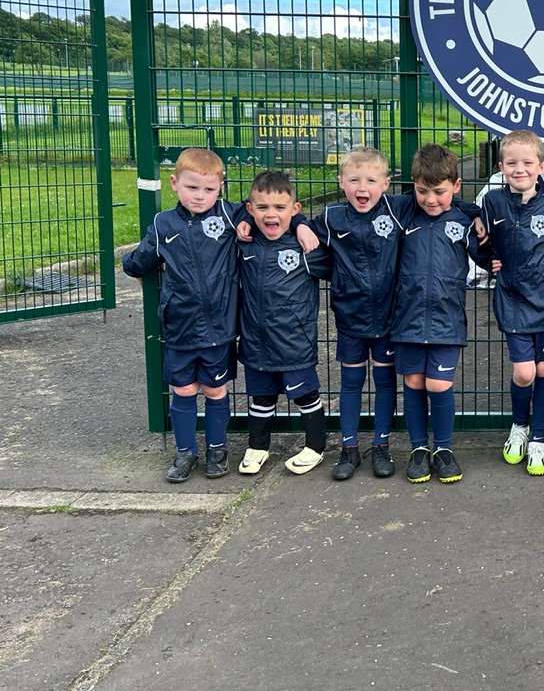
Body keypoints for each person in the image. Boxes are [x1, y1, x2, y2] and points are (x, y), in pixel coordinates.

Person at [122, 148, 242, 483]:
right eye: (192, 187)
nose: (200, 196)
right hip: (180, 327)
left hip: (219, 328)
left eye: (209, 189)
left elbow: (260, 212)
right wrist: (130, 265)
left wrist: (299, 225)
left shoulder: (229, 216)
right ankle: (185, 451)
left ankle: (217, 449)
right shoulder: (163, 223)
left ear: (220, 188)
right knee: (184, 390)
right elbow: (143, 258)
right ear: (175, 183)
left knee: (215, 390)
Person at [391, 144, 490, 485]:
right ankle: (419, 449)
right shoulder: (403, 214)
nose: (430, 200)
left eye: (439, 192)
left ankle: (443, 448)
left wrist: (475, 214)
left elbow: (487, 254)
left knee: (438, 383)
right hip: (407, 317)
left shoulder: (462, 221)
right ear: (413, 185)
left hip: (447, 319)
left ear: (456, 186)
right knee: (414, 382)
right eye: (422, 191)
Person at [234, 170, 333, 477]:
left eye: (280, 207)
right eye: (262, 207)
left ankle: (316, 446)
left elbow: (340, 266)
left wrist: (302, 225)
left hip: (294, 343)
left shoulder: (306, 246)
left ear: (295, 208)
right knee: (261, 397)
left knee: (305, 396)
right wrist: (244, 218)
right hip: (256, 342)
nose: (271, 214)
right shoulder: (244, 243)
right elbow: (216, 208)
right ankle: (257, 446)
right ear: (250, 209)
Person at [316, 147, 402, 481]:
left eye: (370, 180)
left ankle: (381, 446)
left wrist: (476, 215)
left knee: (384, 381)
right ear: (341, 182)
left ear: (386, 184)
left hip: (389, 316)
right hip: (350, 315)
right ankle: (349, 447)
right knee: (351, 381)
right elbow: (293, 225)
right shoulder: (330, 217)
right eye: (354, 180)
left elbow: (442, 202)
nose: (362, 188)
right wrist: (300, 226)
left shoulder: (397, 210)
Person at [480, 130, 544, 477]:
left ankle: (538, 438)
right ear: (501, 167)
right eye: (511, 162)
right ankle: (519, 426)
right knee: (525, 371)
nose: (519, 169)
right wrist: (488, 261)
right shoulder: (492, 203)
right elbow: (479, 239)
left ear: (541, 167)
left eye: (527, 162)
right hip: (512, 299)